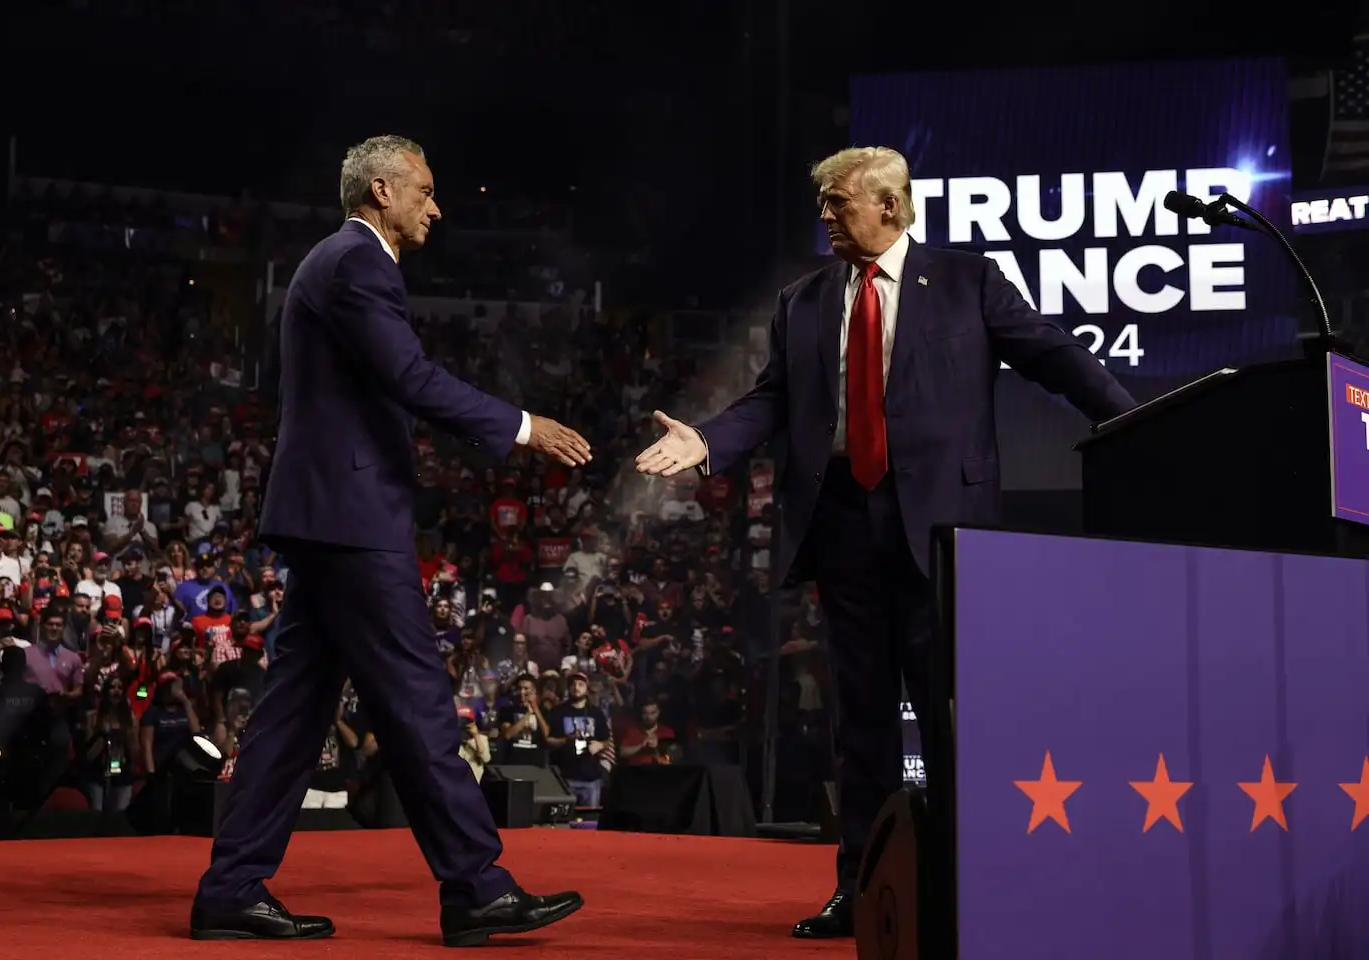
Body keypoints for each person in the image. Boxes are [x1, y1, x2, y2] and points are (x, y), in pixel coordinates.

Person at [636, 146, 1136, 939]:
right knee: (859, 721)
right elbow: (770, 402)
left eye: (837, 203)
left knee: (955, 714)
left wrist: (1133, 420)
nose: (825, 217)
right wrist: (707, 443)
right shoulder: (802, 302)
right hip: (842, 524)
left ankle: (975, 886)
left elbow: (1054, 357)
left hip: (943, 529)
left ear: (890, 206)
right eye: (824, 205)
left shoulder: (968, 282)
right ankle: (865, 889)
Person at [193, 135, 590, 946]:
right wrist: (523, 426)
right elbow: (410, 379)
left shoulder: (337, 263)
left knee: (294, 715)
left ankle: (231, 887)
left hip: (329, 515)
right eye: (427, 192)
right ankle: (476, 885)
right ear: (382, 190)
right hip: (348, 519)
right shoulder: (359, 263)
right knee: (414, 701)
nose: (436, 208)